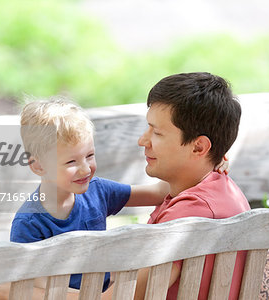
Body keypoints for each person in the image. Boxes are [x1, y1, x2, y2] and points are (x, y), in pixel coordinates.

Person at [9, 98, 172, 298]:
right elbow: (34, 288)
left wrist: (208, 163)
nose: (85, 169)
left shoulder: (98, 191)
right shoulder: (29, 224)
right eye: (71, 161)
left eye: (89, 156)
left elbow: (157, 193)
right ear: (38, 166)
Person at [134, 72, 251, 300]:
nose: (143, 140)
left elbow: (126, 296)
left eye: (157, 132)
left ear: (198, 148)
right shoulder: (220, 191)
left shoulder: (191, 214)